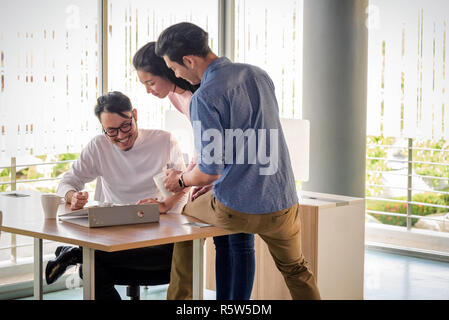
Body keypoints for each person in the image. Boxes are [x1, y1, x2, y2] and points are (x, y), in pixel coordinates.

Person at [155, 22, 321, 300]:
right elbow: (249, 138)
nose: (177, 74)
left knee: (185, 220)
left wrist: (180, 180)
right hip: (284, 203)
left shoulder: (204, 97)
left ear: (189, 60)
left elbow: (209, 172)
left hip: (239, 209)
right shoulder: (259, 75)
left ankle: (180, 301)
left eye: (174, 69)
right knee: (296, 270)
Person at [132, 42, 255, 300]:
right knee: (220, 239)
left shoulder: (204, 93)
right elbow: (201, 145)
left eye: (151, 83)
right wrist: (190, 180)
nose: (148, 91)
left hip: (239, 170)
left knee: (239, 240)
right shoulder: (177, 97)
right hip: (214, 170)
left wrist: (190, 180)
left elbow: (222, 141)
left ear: (169, 71)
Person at [45, 91, 189, 300]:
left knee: (91, 262)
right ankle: (79, 253)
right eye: (111, 131)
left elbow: (184, 186)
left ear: (135, 115)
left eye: (125, 126)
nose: (121, 136)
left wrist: (165, 204)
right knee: (91, 268)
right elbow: (67, 182)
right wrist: (71, 196)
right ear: (103, 129)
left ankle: (76, 253)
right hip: (113, 238)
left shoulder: (164, 141)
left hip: (160, 239)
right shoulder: (99, 146)